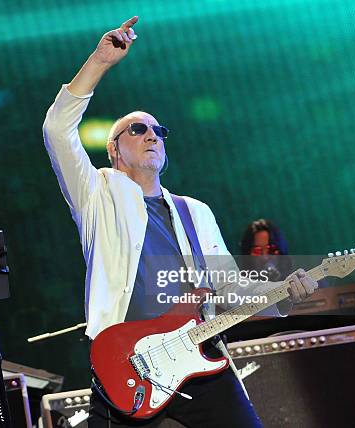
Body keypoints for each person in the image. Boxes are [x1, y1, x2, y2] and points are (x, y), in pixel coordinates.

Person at [42, 16, 318, 427]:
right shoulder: (97, 194)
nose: (153, 134)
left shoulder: (196, 212)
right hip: (128, 365)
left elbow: (226, 287)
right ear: (114, 151)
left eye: (159, 130)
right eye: (138, 129)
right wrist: (99, 62)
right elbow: (57, 130)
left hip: (197, 354)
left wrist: (282, 295)